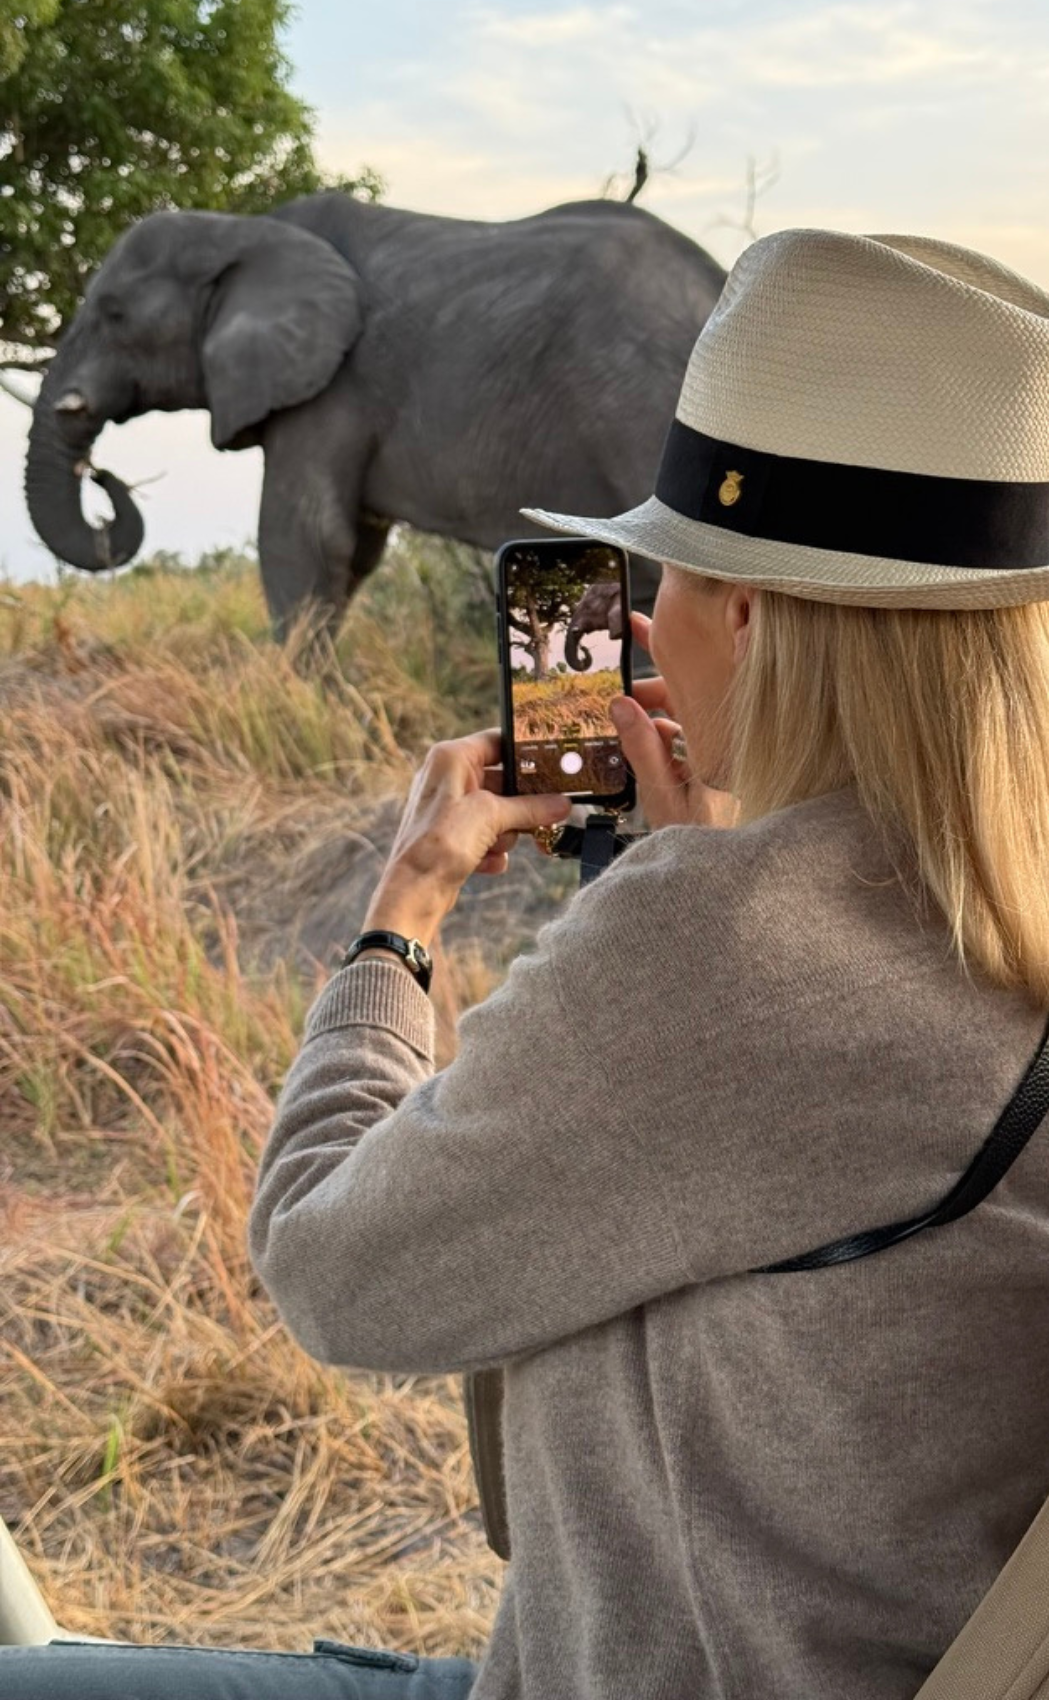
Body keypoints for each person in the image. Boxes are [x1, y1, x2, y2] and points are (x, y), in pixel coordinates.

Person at [8, 225, 1049, 1700]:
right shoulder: (989, 900)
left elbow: (327, 1267)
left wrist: (411, 897)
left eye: (669, 573)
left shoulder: (729, 952)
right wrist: (694, 874)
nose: (638, 623)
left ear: (747, 610)